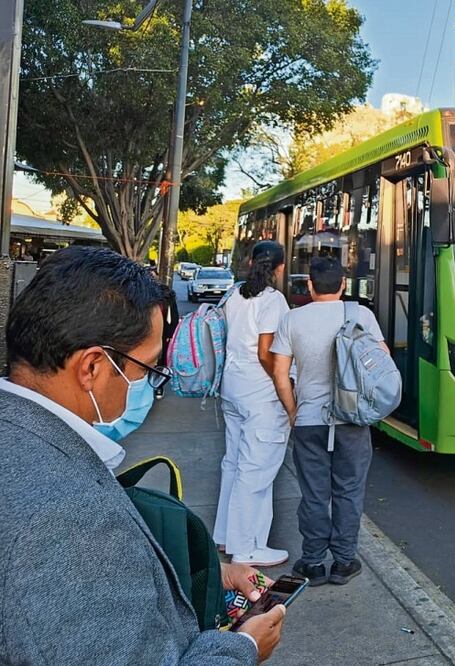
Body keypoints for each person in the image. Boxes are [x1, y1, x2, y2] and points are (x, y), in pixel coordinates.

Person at [0, 246, 285, 664]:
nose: (151, 384)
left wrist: (196, 578)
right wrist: (242, 647)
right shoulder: (74, 518)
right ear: (92, 367)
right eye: (147, 368)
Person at [271, 256, 386, 586]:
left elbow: (280, 374)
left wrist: (293, 411)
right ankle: (344, 562)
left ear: (309, 285)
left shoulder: (292, 319)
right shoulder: (360, 314)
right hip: (351, 418)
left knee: (314, 494)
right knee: (349, 491)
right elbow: (382, 360)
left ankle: (312, 562)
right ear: (344, 285)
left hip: (309, 420)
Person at [215, 240, 292, 567]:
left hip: (231, 387)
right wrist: (283, 389)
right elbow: (265, 352)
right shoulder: (273, 301)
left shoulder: (235, 294)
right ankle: (247, 549)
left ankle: (225, 536)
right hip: (259, 394)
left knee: (233, 464)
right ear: (279, 267)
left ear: (250, 262)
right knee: (255, 471)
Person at [149, 264, 179, 399]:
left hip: (162, 334)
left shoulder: (166, 295)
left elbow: (173, 316)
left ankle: (158, 385)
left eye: (153, 275)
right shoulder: (139, 294)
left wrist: (170, 334)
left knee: (161, 361)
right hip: (144, 333)